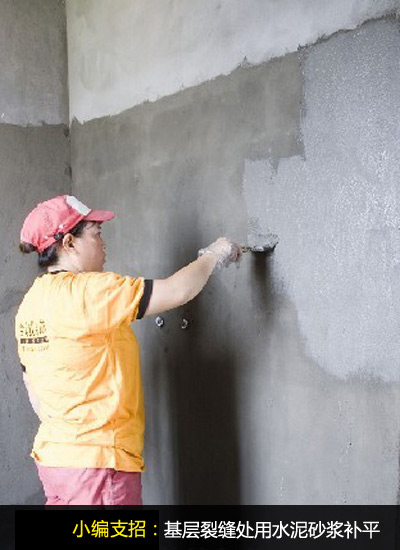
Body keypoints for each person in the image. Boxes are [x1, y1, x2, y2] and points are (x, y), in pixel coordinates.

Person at [15, 194, 242, 505]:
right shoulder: (89, 291)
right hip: (97, 466)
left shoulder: (30, 304)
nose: (104, 244)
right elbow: (177, 290)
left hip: (56, 460)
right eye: (96, 233)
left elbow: (33, 389)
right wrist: (215, 254)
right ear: (69, 243)